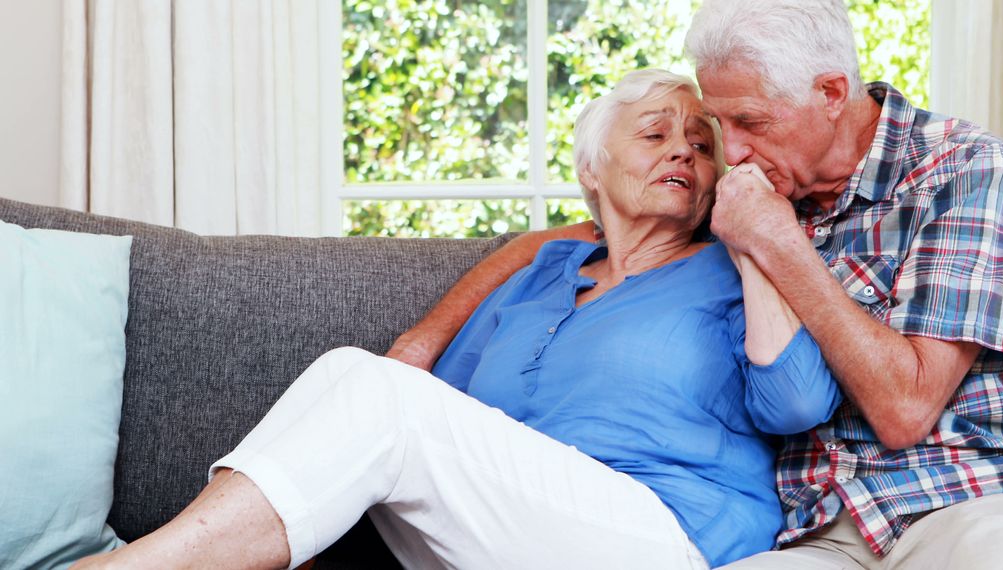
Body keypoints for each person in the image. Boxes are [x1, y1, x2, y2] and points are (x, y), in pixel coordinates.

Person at [388, 1, 1003, 568]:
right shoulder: (743, 197)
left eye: (748, 122)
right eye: (721, 125)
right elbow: (595, 235)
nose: (731, 151)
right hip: (814, 531)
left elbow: (905, 410)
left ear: (832, 92)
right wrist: (423, 342)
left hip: (971, 496)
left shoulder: (961, 169)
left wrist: (776, 242)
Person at [74, 69, 840, 570]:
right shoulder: (541, 275)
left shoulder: (727, 270)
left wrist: (755, 241)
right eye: (655, 133)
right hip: (506, 537)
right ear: (590, 169)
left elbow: (798, 403)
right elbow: (440, 428)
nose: (684, 151)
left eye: (701, 146)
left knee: (371, 388)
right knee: (354, 375)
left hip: (663, 535)